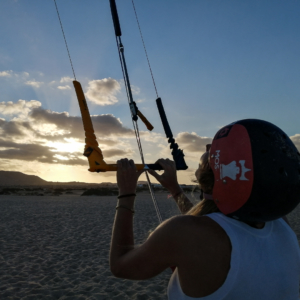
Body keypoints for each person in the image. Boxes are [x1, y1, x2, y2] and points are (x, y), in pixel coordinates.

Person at [110, 119, 300, 299]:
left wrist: (126, 192)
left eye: (212, 154)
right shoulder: (280, 224)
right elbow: (211, 225)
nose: (209, 149)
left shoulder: (184, 233)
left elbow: (121, 265)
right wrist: (176, 190)